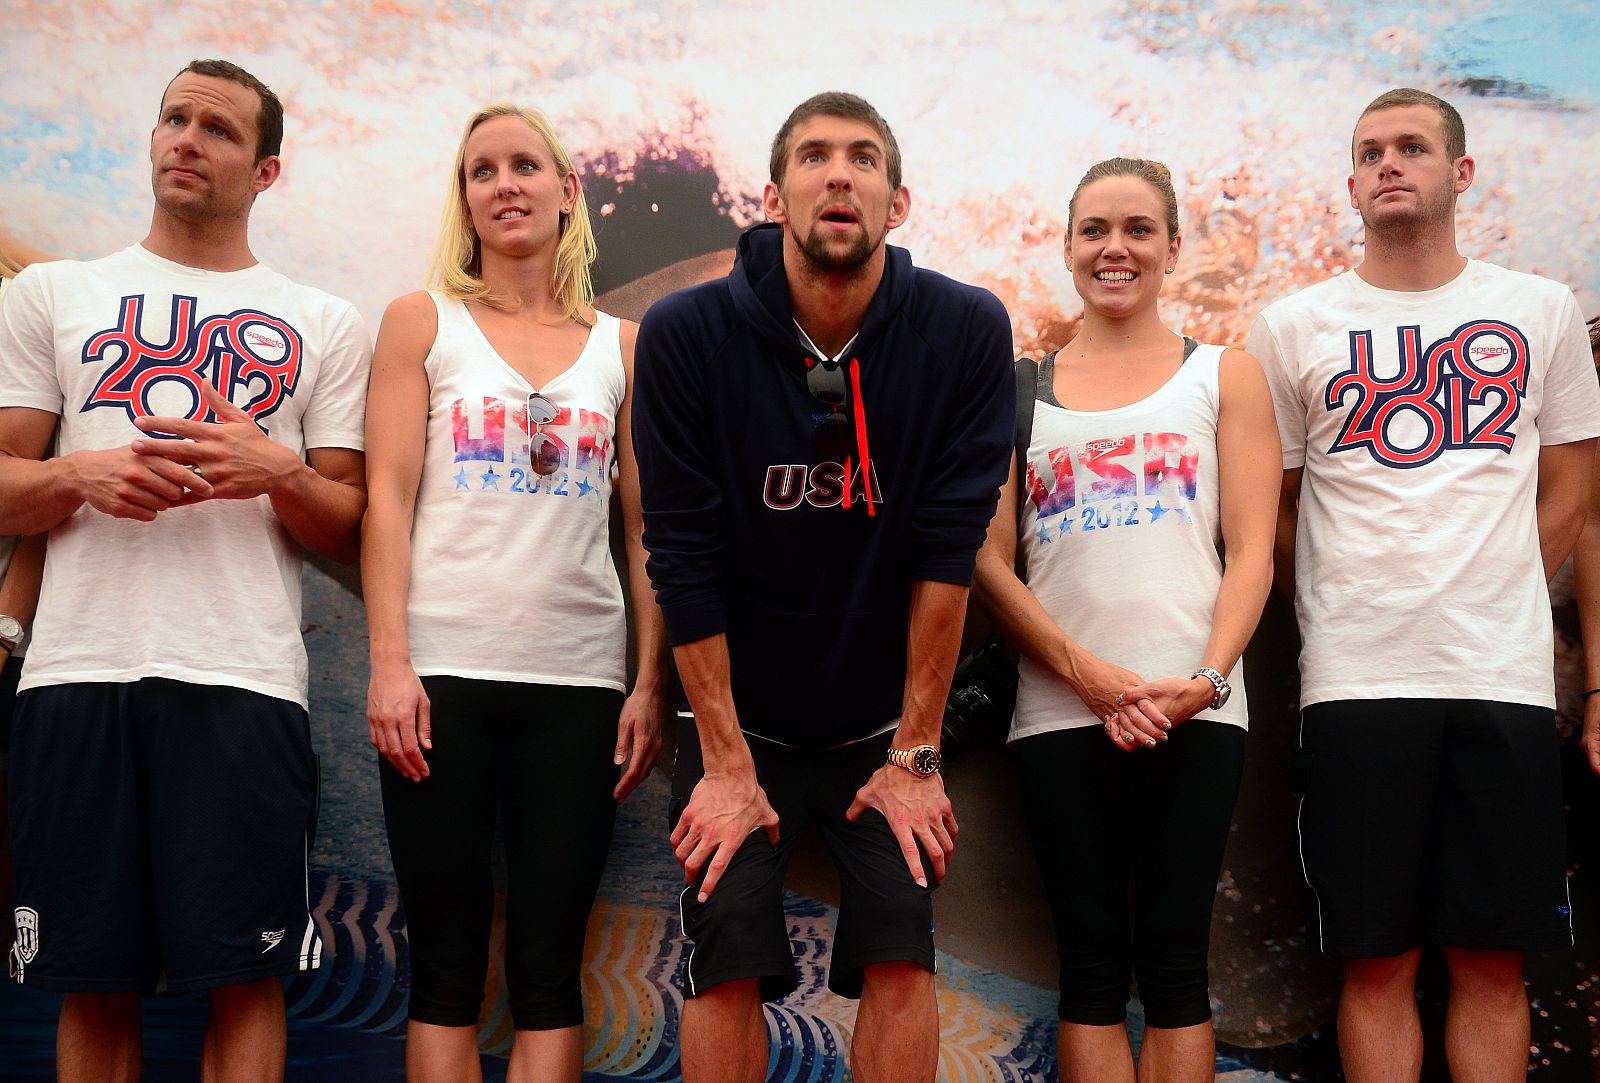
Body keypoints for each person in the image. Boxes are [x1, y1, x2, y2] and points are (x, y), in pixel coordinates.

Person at [630, 91, 1014, 1083]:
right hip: (737, 721)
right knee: (724, 967)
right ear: (773, 195)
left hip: (879, 726)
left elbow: (947, 548)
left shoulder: (964, 331)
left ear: (897, 200)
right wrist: (721, 759)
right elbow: (681, 550)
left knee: (899, 957)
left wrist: (916, 752)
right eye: (812, 157)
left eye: (860, 158)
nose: (836, 174)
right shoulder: (685, 335)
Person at [0, 59, 371, 1082]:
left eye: (215, 128)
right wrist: (77, 476)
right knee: (93, 979)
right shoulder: (53, 295)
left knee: (243, 981)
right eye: (173, 118)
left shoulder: (324, 321)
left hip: (243, 683)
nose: (186, 139)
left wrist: (275, 471)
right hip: (76, 676)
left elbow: (347, 524)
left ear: (266, 170)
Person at [1248, 88, 1600, 1083]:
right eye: (1369, 152)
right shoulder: (1291, 327)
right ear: (1350, 181)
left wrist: (1490, 586)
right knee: (1377, 961)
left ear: (1461, 171)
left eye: (1411, 147)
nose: (1388, 164)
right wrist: (1333, 597)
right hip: (1356, 683)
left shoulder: (1538, 312)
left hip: (1501, 680)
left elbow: (1572, 490)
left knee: (1492, 963)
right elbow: (1269, 507)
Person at [361, 102, 666, 1083]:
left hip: (575, 691)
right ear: (466, 198)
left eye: (525, 165)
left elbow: (647, 531)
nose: (505, 184)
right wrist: (388, 667)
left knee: (548, 971)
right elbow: (387, 498)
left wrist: (648, 685)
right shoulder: (423, 322)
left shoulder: (621, 348)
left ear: (567, 190)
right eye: (481, 170)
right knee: (445, 968)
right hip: (437, 684)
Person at [973, 157, 1278, 1083]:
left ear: (1173, 248)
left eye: (1139, 229)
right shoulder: (1017, 388)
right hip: (1065, 712)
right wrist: (1087, 673)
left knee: (1180, 968)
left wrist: (1207, 678)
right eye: (1096, 230)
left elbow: (1254, 550)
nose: (1117, 248)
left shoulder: (1226, 376)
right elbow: (986, 559)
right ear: (1067, 249)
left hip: (1198, 706)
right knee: (1092, 969)